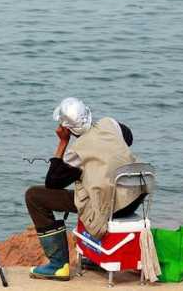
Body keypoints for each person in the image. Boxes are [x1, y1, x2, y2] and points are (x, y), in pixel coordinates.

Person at [25, 97, 141, 281]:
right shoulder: (110, 124)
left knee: (33, 196)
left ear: (67, 128)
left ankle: (58, 265)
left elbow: (52, 184)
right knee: (89, 185)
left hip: (108, 207)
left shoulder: (76, 152)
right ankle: (94, 254)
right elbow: (129, 138)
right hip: (133, 199)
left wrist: (63, 143)